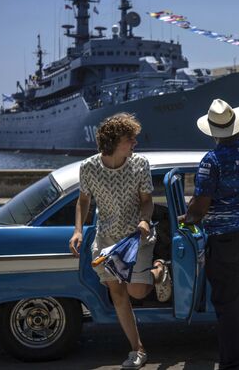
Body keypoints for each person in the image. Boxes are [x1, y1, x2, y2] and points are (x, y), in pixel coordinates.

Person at [179, 99, 239, 370]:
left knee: (229, 304)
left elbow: (200, 207)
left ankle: (234, 365)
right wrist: (235, 120)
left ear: (212, 132)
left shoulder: (212, 161)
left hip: (230, 238)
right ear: (237, 124)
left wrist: (186, 218)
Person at [69, 113, 171, 370]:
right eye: (130, 138)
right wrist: (78, 231)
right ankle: (138, 349)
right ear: (114, 141)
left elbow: (147, 201)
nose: (135, 143)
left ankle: (160, 271)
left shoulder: (140, 164)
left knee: (136, 291)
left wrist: (145, 220)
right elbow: (83, 201)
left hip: (138, 237)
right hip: (107, 238)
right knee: (117, 293)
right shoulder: (88, 167)